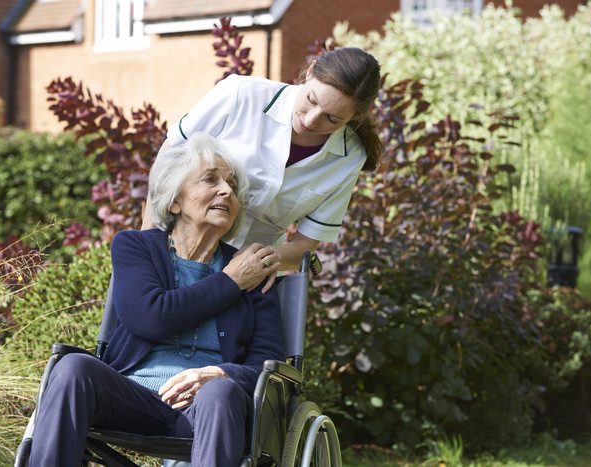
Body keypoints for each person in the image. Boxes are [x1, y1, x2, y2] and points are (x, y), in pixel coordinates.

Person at [28, 133, 284, 467]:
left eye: (232, 186)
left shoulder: (253, 269)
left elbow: (268, 365)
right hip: (132, 400)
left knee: (219, 393)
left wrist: (220, 375)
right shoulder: (137, 247)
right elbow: (149, 317)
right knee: (73, 367)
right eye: (211, 179)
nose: (227, 191)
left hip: (207, 409)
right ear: (175, 201)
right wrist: (230, 281)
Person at [142, 47, 383, 290]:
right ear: (310, 72)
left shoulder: (350, 156)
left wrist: (270, 258)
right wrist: (146, 249)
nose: (310, 121)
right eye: (311, 100)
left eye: (332, 119)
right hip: (174, 257)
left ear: (354, 117)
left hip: (251, 282)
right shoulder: (240, 94)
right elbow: (166, 165)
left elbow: (305, 244)